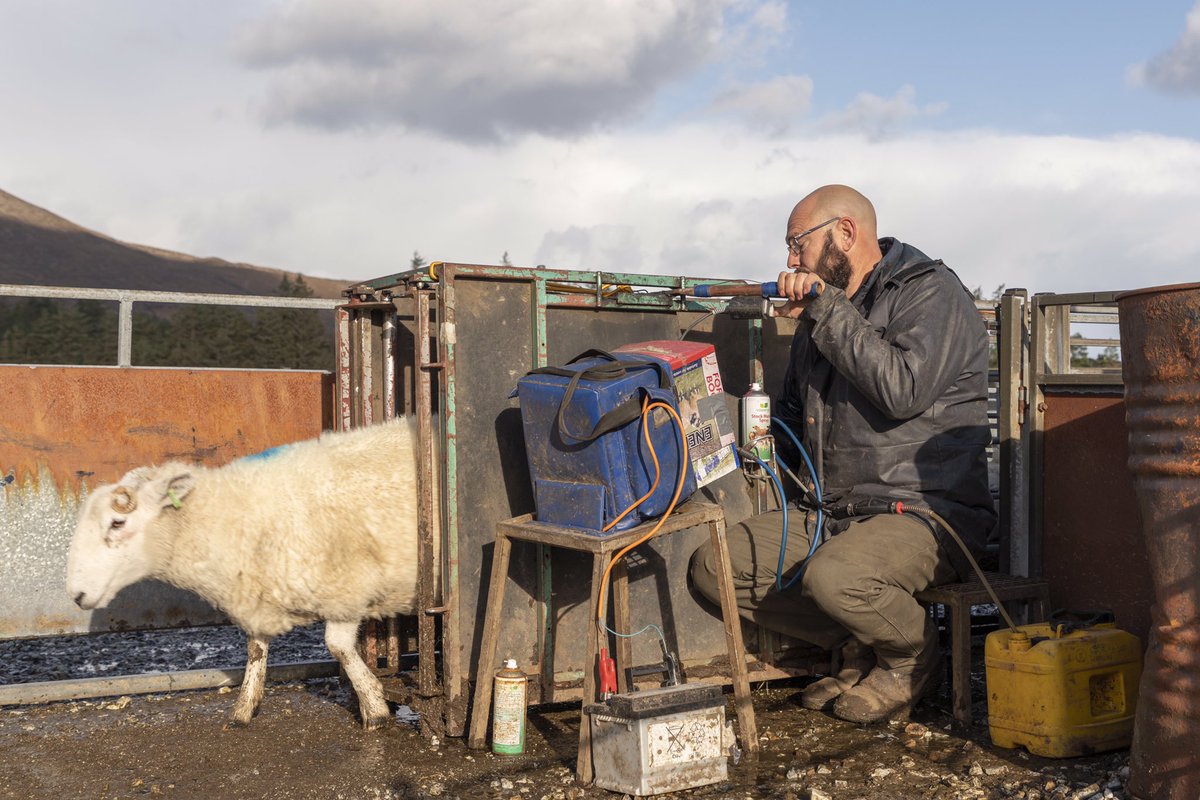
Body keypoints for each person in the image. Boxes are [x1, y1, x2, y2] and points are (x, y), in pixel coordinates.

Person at [690, 184, 996, 723]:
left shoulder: (932, 294)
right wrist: (717, 432)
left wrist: (825, 311)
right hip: (834, 512)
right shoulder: (827, 314)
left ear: (845, 233)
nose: (789, 261)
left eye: (796, 243)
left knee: (836, 577)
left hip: (925, 512)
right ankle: (865, 639)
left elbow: (903, 388)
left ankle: (911, 657)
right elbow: (787, 419)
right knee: (713, 567)